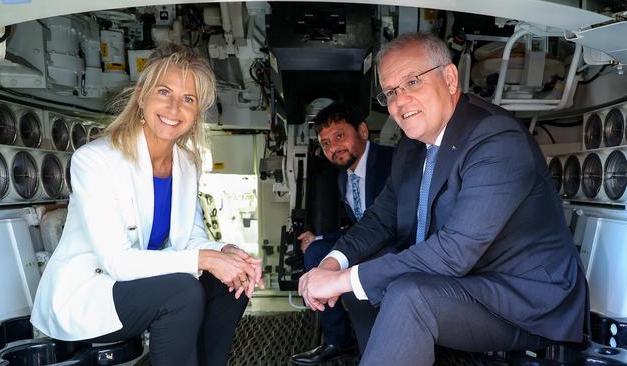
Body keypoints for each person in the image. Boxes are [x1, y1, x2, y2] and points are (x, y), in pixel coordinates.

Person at [298, 32, 589, 366]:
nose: (400, 101)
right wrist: (333, 262)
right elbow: (380, 218)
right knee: (373, 284)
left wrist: (341, 280)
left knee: (408, 296)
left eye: (411, 82)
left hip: (525, 302)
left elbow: (455, 252)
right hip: (465, 285)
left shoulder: (496, 138)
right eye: (391, 92)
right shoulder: (411, 146)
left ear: (449, 79)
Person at [31, 44, 264, 366]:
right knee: (182, 291)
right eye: (164, 91)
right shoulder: (96, 160)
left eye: (188, 99)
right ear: (142, 96)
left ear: (197, 112)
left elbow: (191, 239)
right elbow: (117, 262)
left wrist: (227, 254)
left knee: (232, 283)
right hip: (93, 292)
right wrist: (204, 258)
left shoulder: (187, 163)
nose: (174, 107)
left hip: (144, 286)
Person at [291, 103, 394, 365]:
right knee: (315, 251)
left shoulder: (391, 162)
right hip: (366, 240)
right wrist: (321, 239)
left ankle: (377, 350)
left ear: (362, 131)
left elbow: (386, 223)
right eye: (325, 143)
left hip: (394, 242)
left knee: (352, 263)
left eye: (339, 136)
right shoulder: (344, 177)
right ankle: (338, 340)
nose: (333, 148)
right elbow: (360, 224)